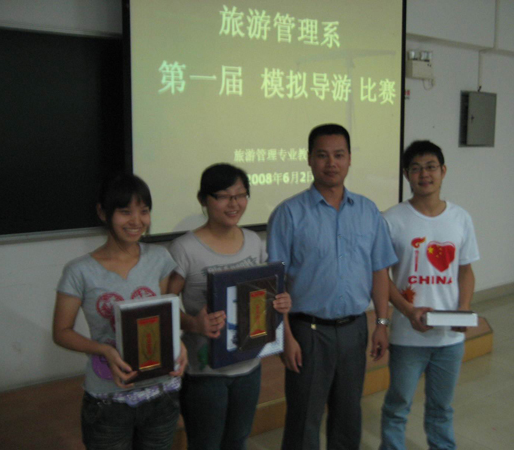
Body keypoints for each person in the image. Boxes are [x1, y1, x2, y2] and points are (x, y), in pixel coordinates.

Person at [267, 123, 398, 449]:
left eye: (339, 155)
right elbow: (274, 284)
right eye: (322, 155)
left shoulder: (368, 211)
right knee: (304, 420)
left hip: (355, 329)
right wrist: (285, 337)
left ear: (349, 158)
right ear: (309, 159)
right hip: (307, 332)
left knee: (348, 416)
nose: (331, 163)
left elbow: (379, 270)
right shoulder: (289, 213)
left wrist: (382, 323)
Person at [52, 173, 187, 450]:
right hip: (109, 399)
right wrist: (104, 350)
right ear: (103, 213)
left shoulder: (159, 258)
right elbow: (61, 332)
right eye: (125, 212)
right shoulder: (79, 271)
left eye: (144, 211)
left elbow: (165, 314)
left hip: (161, 392)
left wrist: (178, 342)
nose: (137, 221)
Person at [167, 163, 291, 450]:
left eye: (241, 195)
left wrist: (280, 301)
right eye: (223, 196)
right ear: (203, 199)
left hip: (249, 365)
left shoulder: (253, 241)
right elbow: (165, 306)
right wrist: (194, 324)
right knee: (206, 444)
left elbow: (265, 293)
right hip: (205, 372)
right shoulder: (184, 248)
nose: (234, 204)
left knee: (238, 440)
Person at [380, 140, 480, 450]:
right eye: (416, 168)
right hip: (407, 334)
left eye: (431, 167)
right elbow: (380, 276)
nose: (424, 174)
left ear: (443, 171)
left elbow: (465, 270)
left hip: (449, 337)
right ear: (406, 175)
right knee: (397, 406)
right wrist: (407, 310)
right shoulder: (392, 219)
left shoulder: (461, 218)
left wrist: (464, 307)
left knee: (441, 408)